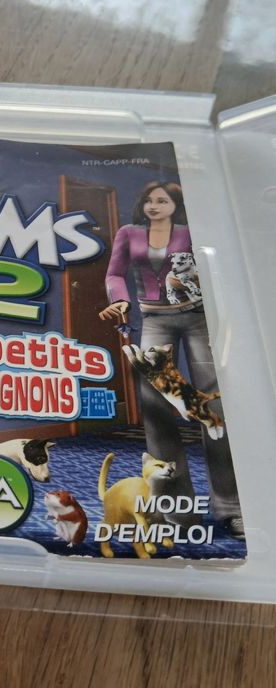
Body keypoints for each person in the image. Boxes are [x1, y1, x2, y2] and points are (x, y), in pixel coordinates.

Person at [98, 180, 244, 538]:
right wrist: (119, 299)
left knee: (213, 409)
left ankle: (230, 505)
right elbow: (115, 273)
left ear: (175, 204)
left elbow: (217, 271)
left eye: (162, 200)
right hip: (154, 320)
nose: (154, 205)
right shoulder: (129, 233)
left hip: (198, 319)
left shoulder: (191, 233)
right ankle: (175, 511)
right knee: (155, 407)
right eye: (149, 200)